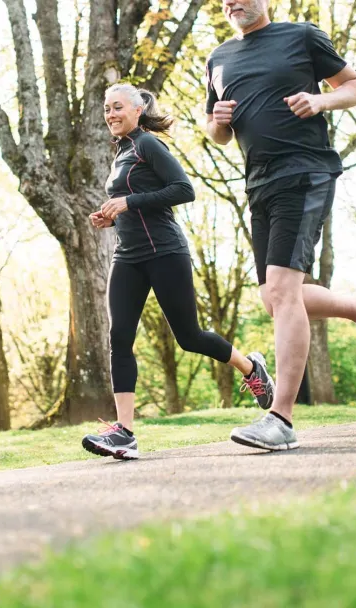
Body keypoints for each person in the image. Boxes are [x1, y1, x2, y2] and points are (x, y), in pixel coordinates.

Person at [205, 0, 356, 451]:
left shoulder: (300, 37)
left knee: (284, 291)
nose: (233, 3)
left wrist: (320, 99)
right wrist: (217, 123)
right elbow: (215, 129)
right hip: (257, 180)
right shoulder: (218, 58)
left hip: (305, 171)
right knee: (274, 297)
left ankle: (281, 418)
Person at [81, 83, 274, 461]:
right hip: (128, 255)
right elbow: (132, 204)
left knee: (189, 336)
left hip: (165, 252)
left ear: (137, 110)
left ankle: (251, 367)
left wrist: (128, 202)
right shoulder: (120, 152)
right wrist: (112, 218)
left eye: (117, 107)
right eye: (106, 109)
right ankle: (125, 433)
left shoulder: (148, 145)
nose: (110, 114)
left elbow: (184, 190)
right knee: (119, 337)